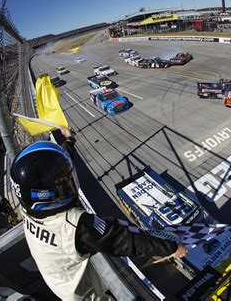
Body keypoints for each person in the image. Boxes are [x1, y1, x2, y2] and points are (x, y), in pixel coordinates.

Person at [10, 128, 187, 300]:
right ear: (49, 194)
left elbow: (50, 175)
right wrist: (171, 247)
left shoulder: (30, 208)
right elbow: (125, 240)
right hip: (86, 293)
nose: (68, 184)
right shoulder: (75, 225)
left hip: (60, 281)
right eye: (64, 184)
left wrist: (69, 141)